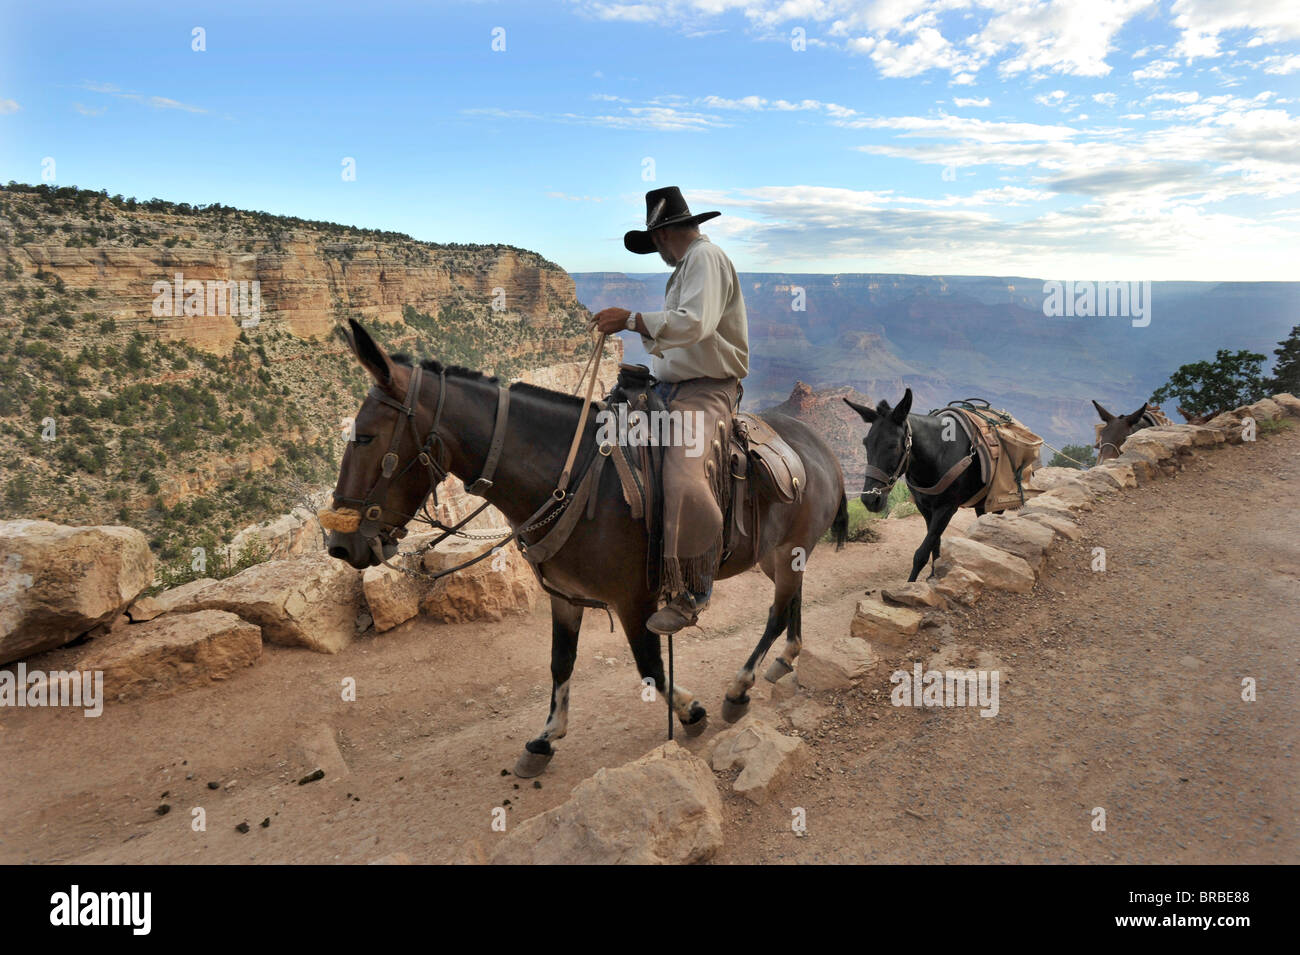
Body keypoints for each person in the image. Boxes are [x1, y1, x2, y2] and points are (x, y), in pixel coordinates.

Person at [591, 186, 750, 634]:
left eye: (654, 241)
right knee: (611, 442)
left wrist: (630, 319)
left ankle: (692, 589)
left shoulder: (704, 257)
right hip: (672, 385)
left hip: (707, 390)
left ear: (662, 235)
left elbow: (694, 324)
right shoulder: (686, 266)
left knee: (682, 474)